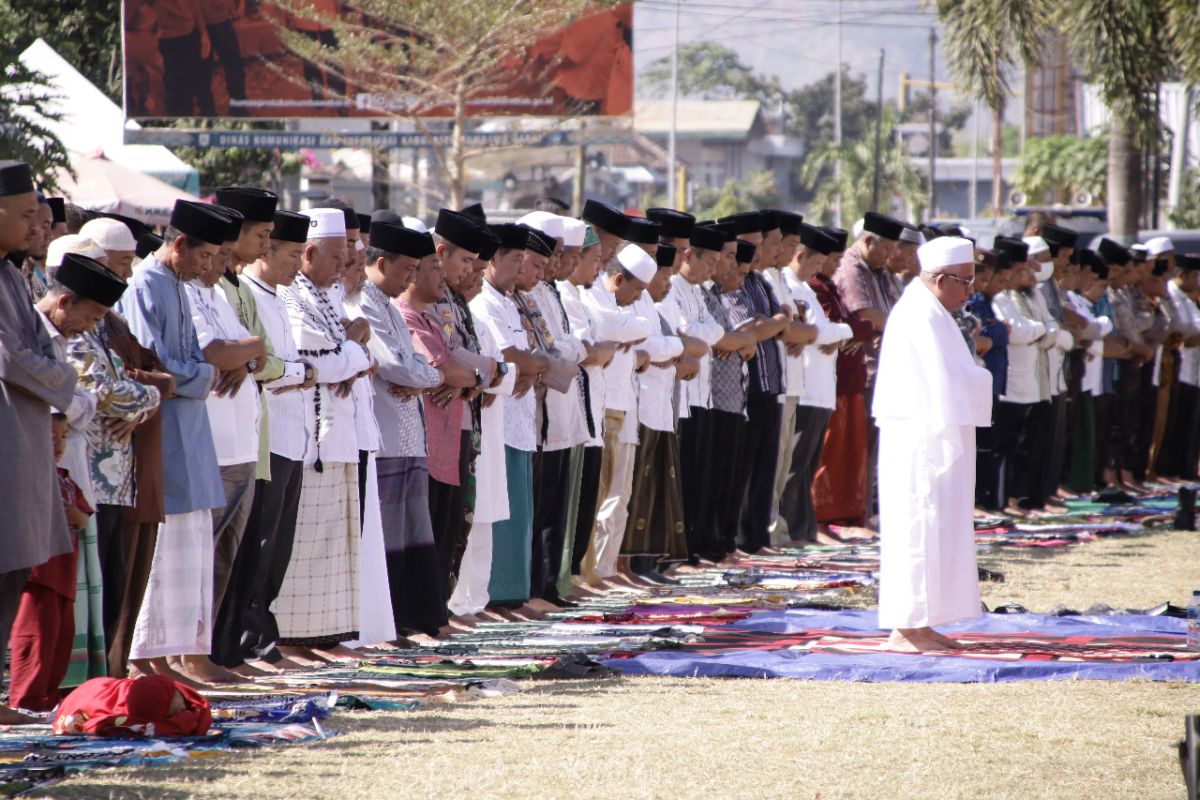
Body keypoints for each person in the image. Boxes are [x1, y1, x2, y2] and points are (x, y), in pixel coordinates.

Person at [120, 201, 228, 686]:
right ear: (180, 244)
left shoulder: (180, 285)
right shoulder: (145, 284)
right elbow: (153, 365)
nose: (208, 267)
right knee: (164, 548)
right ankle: (144, 656)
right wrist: (205, 373)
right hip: (163, 434)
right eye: (204, 257)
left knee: (190, 545)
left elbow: (181, 365)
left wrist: (195, 373)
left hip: (191, 432)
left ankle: (171, 654)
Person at [873, 236, 992, 652]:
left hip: (930, 436)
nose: (971, 290)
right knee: (917, 530)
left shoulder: (932, 310)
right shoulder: (919, 313)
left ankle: (922, 624)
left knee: (936, 528)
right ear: (941, 278)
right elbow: (950, 378)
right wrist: (982, 376)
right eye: (965, 281)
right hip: (918, 443)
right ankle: (905, 629)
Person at [213, 210, 315, 671]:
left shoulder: (261, 293)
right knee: (246, 550)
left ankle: (251, 643)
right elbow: (263, 362)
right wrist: (296, 371)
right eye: (290, 252)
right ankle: (235, 646)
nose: (298, 263)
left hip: (276, 437)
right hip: (252, 441)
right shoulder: (242, 289)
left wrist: (278, 366)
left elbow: (264, 359)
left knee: (271, 550)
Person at [275, 208, 370, 663]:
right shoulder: (292, 297)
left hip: (336, 436)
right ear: (309, 252)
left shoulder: (327, 294)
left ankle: (323, 635)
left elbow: (344, 358)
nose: (344, 266)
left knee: (334, 545)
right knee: (304, 545)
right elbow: (320, 360)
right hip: (310, 439)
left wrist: (348, 354)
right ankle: (292, 638)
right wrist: (351, 352)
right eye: (337, 257)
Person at [345, 222, 448, 637]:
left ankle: (414, 617)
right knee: (387, 533)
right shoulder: (364, 302)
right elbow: (393, 366)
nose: (411, 278)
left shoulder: (388, 304)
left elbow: (424, 369)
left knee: (412, 529)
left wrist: (421, 375)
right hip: (384, 435)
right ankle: (391, 622)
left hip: (408, 434)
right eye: (407, 269)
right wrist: (421, 374)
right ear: (382, 262)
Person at [185, 209, 266, 676]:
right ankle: (191, 656)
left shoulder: (219, 294)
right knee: (198, 560)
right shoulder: (191, 296)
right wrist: (251, 350)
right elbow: (217, 353)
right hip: (213, 446)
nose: (221, 264)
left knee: (223, 561)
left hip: (242, 446)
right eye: (215, 255)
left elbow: (255, 353)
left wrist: (249, 352)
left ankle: (207, 653)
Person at [9, 413, 94, 710]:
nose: (58, 443)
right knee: (36, 637)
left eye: (63, 436)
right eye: (50, 437)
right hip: (39, 574)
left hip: (64, 572)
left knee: (60, 636)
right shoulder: (26, 477)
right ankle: (25, 698)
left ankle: (46, 696)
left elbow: (83, 518)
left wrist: (71, 515)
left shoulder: (64, 479)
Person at [778, 224, 853, 542]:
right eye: (816, 263)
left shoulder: (805, 289)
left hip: (820, 391)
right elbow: (818, 332)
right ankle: (794, 530)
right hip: (804, 389)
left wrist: (839, 332)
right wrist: (839, 332)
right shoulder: (789, 287)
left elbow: (828, 331)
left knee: (807, 467)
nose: (819, 271)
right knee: (793, 469)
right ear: (799, 255)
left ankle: (804, 529)